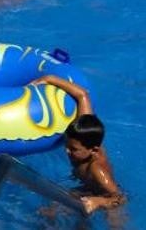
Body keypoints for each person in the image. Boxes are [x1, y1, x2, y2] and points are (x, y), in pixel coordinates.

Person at [31, 73, 126, 215]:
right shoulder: (83, 130)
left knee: (115, 224)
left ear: (93, 150)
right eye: (66, 145)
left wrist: (98, 202)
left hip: (105, 197)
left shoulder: (97, 170)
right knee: (50, 210)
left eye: (73, 149)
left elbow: (120, 197)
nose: (67, 151)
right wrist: (49, 78)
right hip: (85, 188)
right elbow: (83, 95)